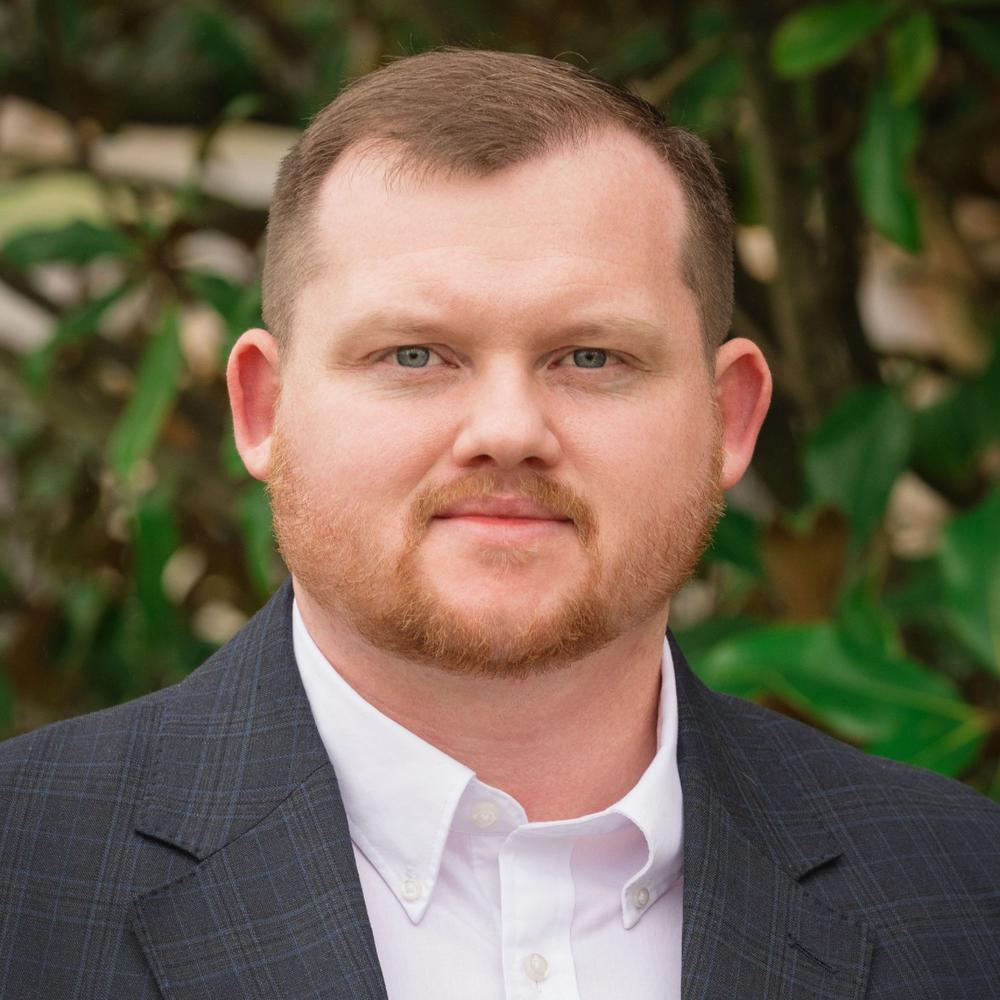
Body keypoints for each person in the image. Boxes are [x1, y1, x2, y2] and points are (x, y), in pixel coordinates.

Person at [1, 48, 998, 1000]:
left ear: (729, 418)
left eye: (591, 357)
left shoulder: (962, 894)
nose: (509, 431)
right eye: (414, 355)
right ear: (263, 408)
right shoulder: (25, 874)